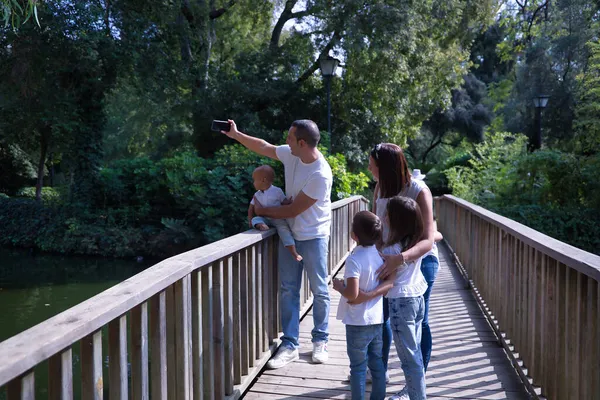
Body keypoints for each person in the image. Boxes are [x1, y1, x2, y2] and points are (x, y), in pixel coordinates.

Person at [221, 119, 333, 369]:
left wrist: (262, 209)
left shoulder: (320, 174)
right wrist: (236, 134)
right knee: (288, 290)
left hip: (314, 236)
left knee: (320, 290)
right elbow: (264, 147)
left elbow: (292, 210)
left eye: (290, 138)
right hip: (290, 236)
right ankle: (290, 344)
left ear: (302, 142)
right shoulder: (292, 155)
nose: (286, 142)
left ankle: (320, 340)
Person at [332, 211, 392, 400]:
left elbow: (352, 294)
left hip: (358, 321)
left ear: (354, 235)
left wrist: (339, 286)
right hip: (377, 319)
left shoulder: (354, 259)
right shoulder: (379, 256)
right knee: (377, 363)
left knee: (358, 368)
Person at [381, 196, 428, 400]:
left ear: (395, 220)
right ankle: (413, 392)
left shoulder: (391, 251)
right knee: (414, 352)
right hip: (418, 298)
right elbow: (437, 237)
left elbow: (380, 275)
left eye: (387, 214)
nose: (383, 216)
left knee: (409, 359)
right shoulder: (415, 243)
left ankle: (418, 397)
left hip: (401, 302)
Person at [248, 165, 302, 261]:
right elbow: (251, 207)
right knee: (255, 219)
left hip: (277, 218)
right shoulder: (257, 194)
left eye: (254, 180)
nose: (253, 183)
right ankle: (261, 225)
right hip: (264, 218)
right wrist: (250, 218)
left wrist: (288, 202)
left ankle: (294, 252)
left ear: (263, 180)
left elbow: (283, 201)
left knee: (284, 230)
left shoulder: (277, 191)